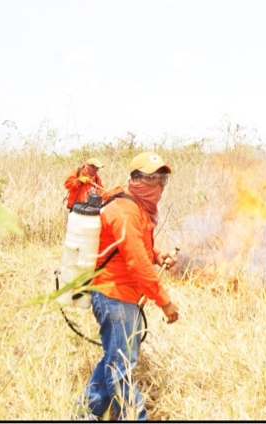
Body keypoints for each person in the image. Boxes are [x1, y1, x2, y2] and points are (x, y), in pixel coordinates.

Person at [76, 152, 179, 421]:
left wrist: (157, 255)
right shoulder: (125, 211)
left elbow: (137, 250)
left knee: (114, 358)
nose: (159, 187)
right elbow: (136, 264)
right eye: (153, 179)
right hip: (113, 295)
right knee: (121, 365)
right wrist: (165, 302)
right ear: (137, 180)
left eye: (162, 180)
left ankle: (84, 411)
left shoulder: (134, 205)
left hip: (122, 296)